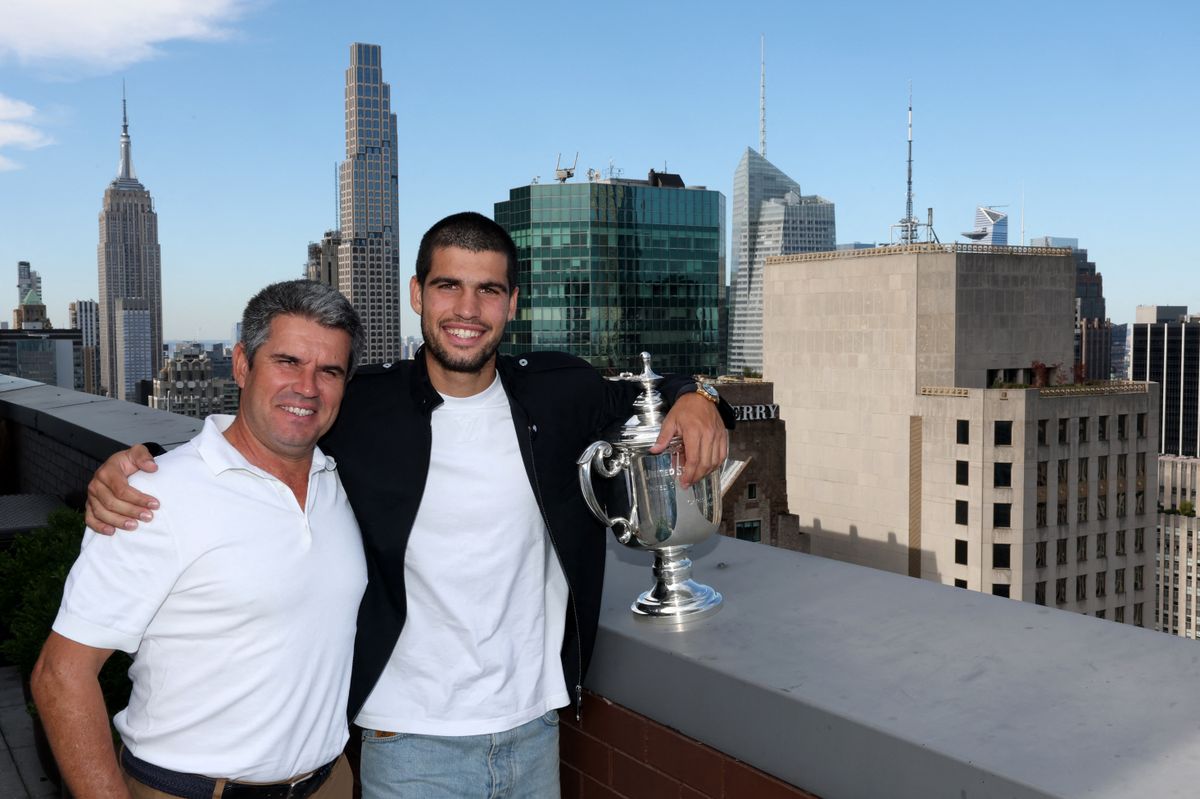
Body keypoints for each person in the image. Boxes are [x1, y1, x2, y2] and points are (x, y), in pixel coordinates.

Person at [86, 212, 733, 798]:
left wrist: (699, 393)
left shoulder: (560, 393)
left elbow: (650, 400)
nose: (467, 308)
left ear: (512, 303)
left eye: (488, 290)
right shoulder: (364, 405)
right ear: (417, 294)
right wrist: (139, 462)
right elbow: (256, 433)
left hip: (534, 730)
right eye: (449, 286)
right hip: (407, 745)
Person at [34, 281, 367, 799]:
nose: (307, 387)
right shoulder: (153, 495)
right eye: (287, 361)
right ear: (241, 364)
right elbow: (61, 676)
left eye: (329, 371)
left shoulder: (341, 483)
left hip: (328, 782)